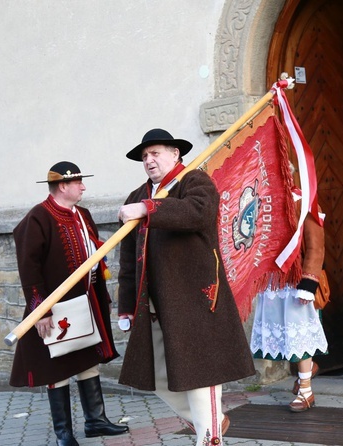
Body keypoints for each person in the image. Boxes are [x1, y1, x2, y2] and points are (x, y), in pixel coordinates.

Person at [116, 128, 256, 446]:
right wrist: (125, 305)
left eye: (156, 153)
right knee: (154, 376)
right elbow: (128, 259)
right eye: (144, 156)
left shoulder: (194, 182)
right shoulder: (136, 196)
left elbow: (198, 212)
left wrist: (149, 210)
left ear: (175, 153)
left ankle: (209, 437)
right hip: (152, 303)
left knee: (200, 373)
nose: (149, 160)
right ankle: (212, 421)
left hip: (195, 298)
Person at [10, 161, 128, 446]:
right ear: (63, 185)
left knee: (88, 358)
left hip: (85, 302)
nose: (83, 187)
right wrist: (41, 310)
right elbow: (29, 267)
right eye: (78, 183)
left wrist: (103, 296)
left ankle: (95, 421)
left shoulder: (83, 214)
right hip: (54, 309)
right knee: (58, 366)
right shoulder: (38, 217)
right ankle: (64, 433)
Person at [250, 161, 328, 412]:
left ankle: (306, 391)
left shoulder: (305, 201)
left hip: (297, 280)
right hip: (272, 281)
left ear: (289, 175)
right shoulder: (260, 203)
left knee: (299, 333)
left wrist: (308, 281)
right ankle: (309, 370)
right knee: (283, 334)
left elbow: (315, 244)